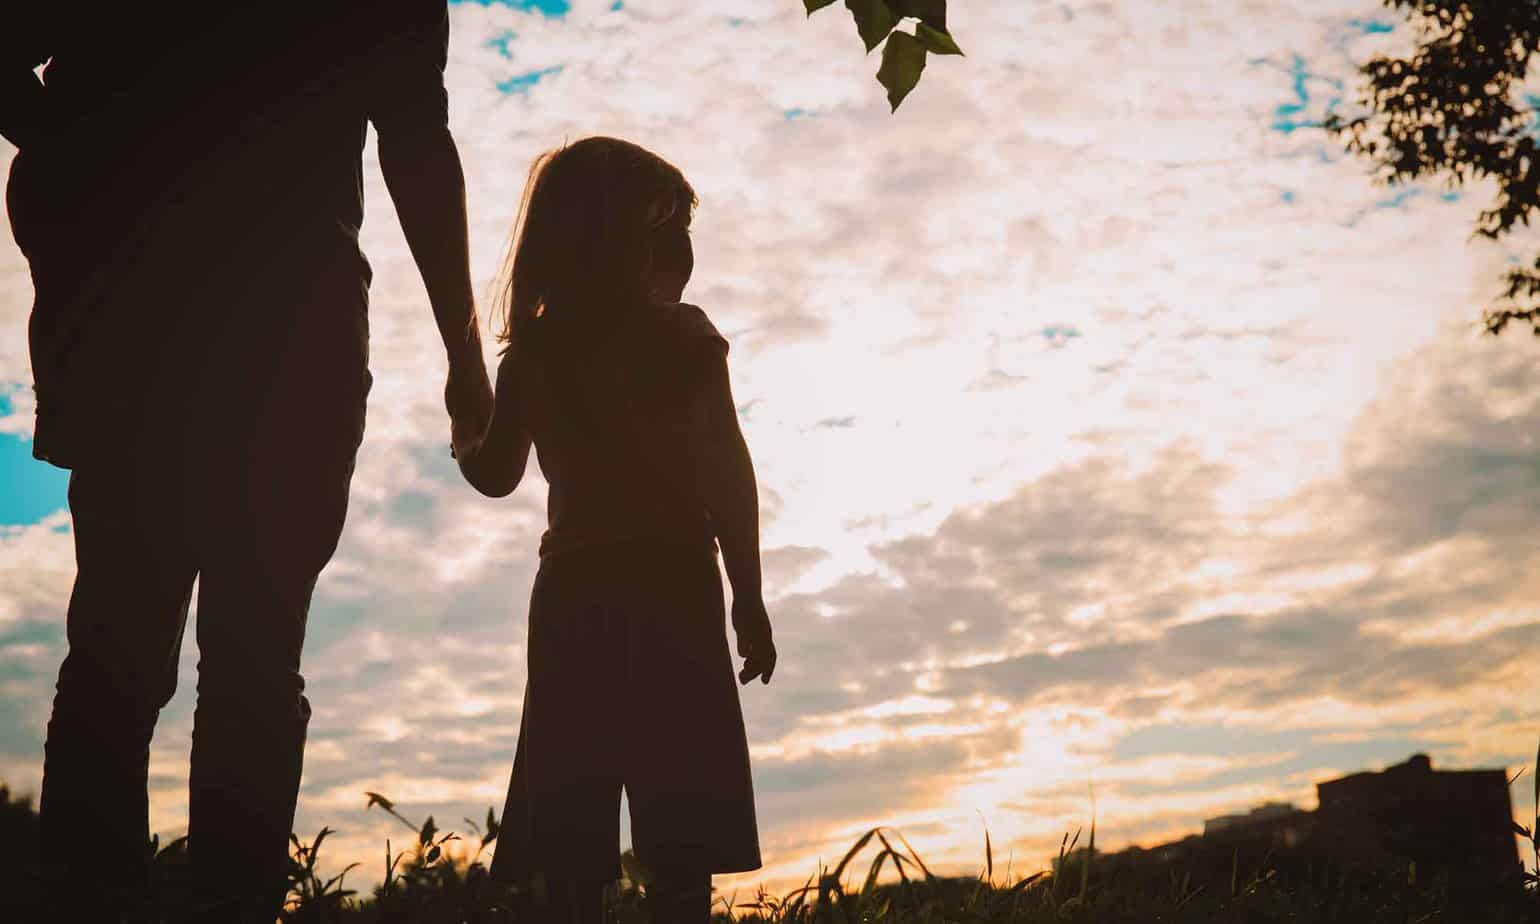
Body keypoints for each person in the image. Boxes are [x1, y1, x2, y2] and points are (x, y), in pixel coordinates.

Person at [1, 4, 493, 919]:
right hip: (260, 326)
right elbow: (416, 141)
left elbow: (417, 141)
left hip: (152, 316)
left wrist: (79, 158)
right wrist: (464, 361)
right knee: (234, 660)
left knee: (125, 648)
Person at [456, 136, 777, 924]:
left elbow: (496, 474)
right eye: (672, 229)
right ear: (638, 238)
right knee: (685, 817)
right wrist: (748, 595)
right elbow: (728, 475)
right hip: (674, 583)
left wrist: (465, 425)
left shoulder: (532, 357)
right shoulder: (685, 338)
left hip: (574, 594)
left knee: (570, 820)